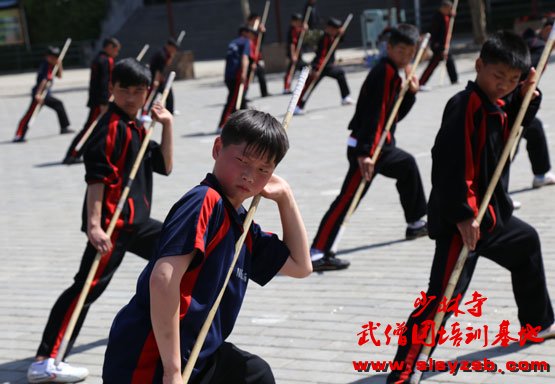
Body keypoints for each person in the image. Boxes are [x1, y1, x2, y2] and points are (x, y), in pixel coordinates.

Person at [387, 31, 555, 384]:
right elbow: (450, 163)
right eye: (498, 76)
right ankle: (405, 369)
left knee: (526, 243)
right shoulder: (465, 105)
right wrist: (464, 214)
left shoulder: (500, 102)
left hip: (493, 216)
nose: (504, 86)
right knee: (443, 298)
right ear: (479, 66)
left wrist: (528, 97)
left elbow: (516, 124)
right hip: (462, 219)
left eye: (512, 80)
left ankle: (537, 325)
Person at [102, 109, 312, 383]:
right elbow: (163, 280)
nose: (250, 175)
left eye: (264, 169)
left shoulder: (243, 227)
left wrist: (286, 197)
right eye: (242, 161)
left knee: (255, 374)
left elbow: (301, 266)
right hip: (151, 359)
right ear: (217, 148)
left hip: (201, 355)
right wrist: (172, 372)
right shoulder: (204, 201)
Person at [26, 58, 173, 383]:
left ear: (148, 92)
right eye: (124, 90)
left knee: (178, 253)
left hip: (139, 224)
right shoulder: (110, 129)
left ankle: (162, 325)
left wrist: (167, 125)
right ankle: (45, 360)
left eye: (139, 91)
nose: (132, 98)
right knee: (84, 290)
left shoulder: (138, 126)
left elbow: (165, 167)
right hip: (112, 228)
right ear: (111, 89)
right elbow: (96, 182)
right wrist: (94, 226)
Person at [309, 24, 427, 272]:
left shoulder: (394, 73)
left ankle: (416, 222)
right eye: (402, 50)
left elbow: (391, 117)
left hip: (379, 145)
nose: (407, 56)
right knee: (348, 198)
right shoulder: (384, 72)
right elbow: (375, 115)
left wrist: (410, 94)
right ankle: (318, 252)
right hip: (367, 147)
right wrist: (365, 153)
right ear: (390, 48)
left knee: (406, 166)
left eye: (411, 52)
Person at [62, 37, 121, 164]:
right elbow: (104, 82)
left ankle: (91, 153)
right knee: (90, 128)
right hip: (100, 102)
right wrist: (104, 102)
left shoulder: (98, 59)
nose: (117, 53)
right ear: (109, 47)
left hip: (96, 99)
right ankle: (72, 154)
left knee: (97, 128)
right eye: (116, 50)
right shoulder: (106, 61)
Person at [518, 18, 555, 188]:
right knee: (507, 146)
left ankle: (541, 174)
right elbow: (524, 72)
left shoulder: (531, 41)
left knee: (534, 129)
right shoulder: (538, 46)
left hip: (517, 98)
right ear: (548, 30)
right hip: (513, 99)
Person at [294, 17, 353, 115]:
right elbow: (322, 55)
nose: (336, 32)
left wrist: (342, 34)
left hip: (328, 66)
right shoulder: (325, 38)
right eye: (334, 29)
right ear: (329, 28)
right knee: (309, 85)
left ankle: (345, 97)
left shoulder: (333, 37)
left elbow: (340, 39)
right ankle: (298, 106)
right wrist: (317, 69)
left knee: (340, 73)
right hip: (320, 66)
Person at [13, 46, 73, 142]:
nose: (55, 59)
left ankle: (64, 127)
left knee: (58, 104)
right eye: (53, 57)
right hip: (40, 94)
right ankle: (19, 135)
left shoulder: (52, 65)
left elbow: (60, 76)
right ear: (48, 57)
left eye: (56, 57)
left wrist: (59, 64)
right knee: (30, 114)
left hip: (46, 94)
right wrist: (38, 95)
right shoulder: (46, 66)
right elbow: (44, 81)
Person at [217, 26, 255, 132]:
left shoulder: (233, 42)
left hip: (228, 75)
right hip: (237, 75)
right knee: (233, 101)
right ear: (244, 33)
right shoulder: (246, 42)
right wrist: (244, 73)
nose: (252, 36)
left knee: (241, 100)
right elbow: (245, 58)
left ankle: (247, 124)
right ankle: (222, 125)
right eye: (250, 33)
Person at [419, 0, 459, 90]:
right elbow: (433, 31)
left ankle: (454, 79)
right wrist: (437, 45)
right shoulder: (437, 17)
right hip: (438, 45)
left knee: (449, 61)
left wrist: (452, 15)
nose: (450, 11)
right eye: (449, 9)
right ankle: (421, 82)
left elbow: (449, 23)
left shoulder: (446, 16)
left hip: (445, 44)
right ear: (444, 8)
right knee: (433, 64)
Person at [148, 37, 178, 114]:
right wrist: (156, 81)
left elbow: (166, 65)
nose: (174, 50)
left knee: (168, 94)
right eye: (173, 48)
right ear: (169, 46)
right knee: (151, 96)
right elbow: (158, 70)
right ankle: (145, 113)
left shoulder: (166, 54)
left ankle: (169, 111)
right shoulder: (162, 54)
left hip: (160, 78)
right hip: (155, 78)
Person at [283, 12, 308, 94]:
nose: (299, 23)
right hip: (293, 53)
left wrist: (305, 29)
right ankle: (286, 88)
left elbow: (303, 35)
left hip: (298, 53)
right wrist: (293, 55)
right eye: (297, 21)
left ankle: (304, 85)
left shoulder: (298, 29)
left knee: (304, 68)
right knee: (291, 71)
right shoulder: (292, 30)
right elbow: (292, 44)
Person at [246, 12, 270, 98]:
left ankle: (264, 92)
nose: (257, 22)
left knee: (261, 73)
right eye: (255, 20)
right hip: (248, 57)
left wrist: (263, 33)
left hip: (257, 56)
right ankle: (243, 96)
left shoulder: (258, 31)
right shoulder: (247, 30)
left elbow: (260, 42)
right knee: (247, 77)